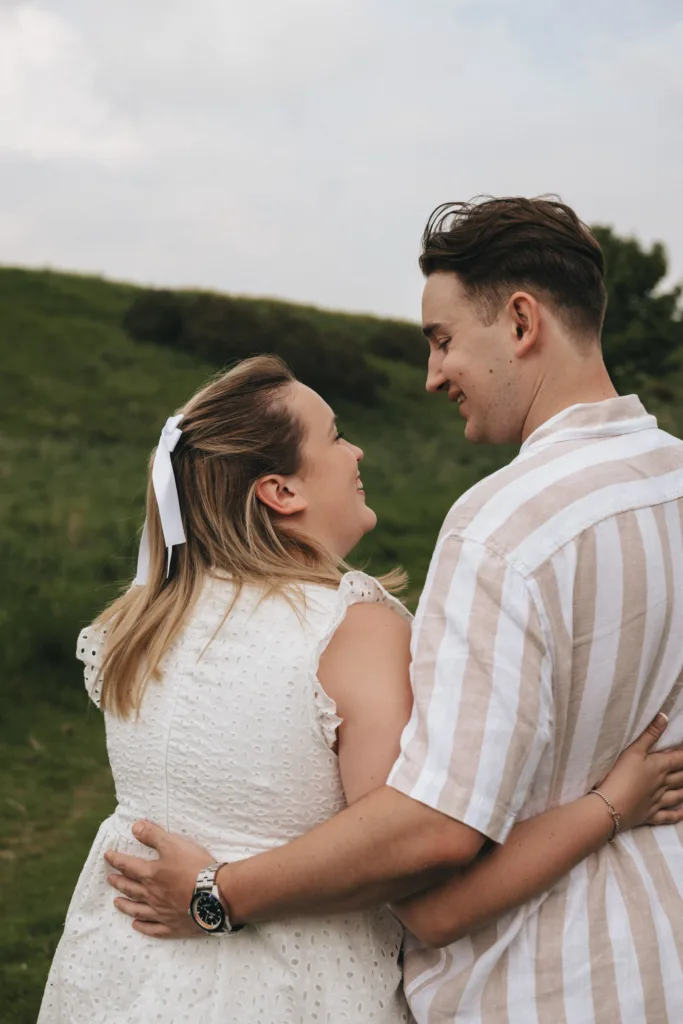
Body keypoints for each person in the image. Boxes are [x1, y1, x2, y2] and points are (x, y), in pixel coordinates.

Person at [106, 198, 683, 1024]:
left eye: (442, 340)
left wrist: (215, 892)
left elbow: (433, 839)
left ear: (520, 321)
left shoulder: (500, 528)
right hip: (660, 942)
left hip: (537, 981)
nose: (431, 375)